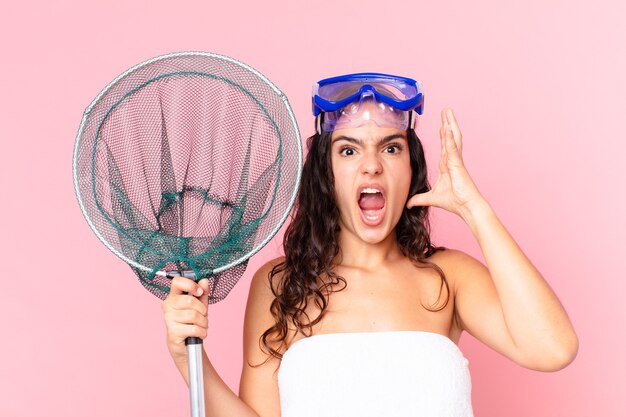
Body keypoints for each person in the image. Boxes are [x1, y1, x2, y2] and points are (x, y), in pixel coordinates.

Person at [162, 73, 579, 417]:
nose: (372, 164)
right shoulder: (278, 285)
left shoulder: (450, 277)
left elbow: (553, 348)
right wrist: (188, 360)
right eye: (348, 150)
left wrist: (474, 208)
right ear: (327, 174)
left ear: (410, 166)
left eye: (391, 147)